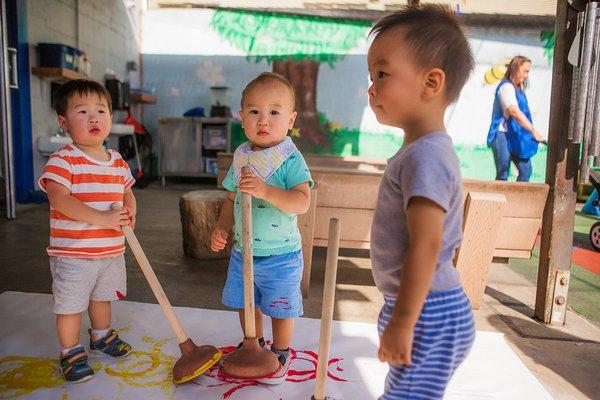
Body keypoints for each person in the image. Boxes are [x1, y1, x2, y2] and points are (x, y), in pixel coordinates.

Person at [367, 5, 476, 399]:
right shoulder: (421, 152)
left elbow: (427, 244)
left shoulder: (425, 156)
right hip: (424, 307)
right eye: (370, 76)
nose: (372, 87)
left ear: (431, 83)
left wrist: (404, 321)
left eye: (382, 73)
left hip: (428, 312)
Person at [211, 72, 313, 385]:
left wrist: (266, 190)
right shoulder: (242, 157)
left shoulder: (289, 159)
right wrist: (222, 226)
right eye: (254, 111)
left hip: (281, 255)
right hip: (244, 253)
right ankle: (252, 343)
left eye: (274, 112)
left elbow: (301, 202)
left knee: (281, 306)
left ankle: (281, 350)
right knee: (247, 303)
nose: (263, 120)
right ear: (242, 117)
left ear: (291, 119)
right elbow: (231, 198)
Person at [38, 79, 136, 383]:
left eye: (101, 110)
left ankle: (102, 336)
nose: (94, 118)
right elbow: (59, 199)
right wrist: (102, 219)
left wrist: (131, 209)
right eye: (83, 112)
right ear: (64, 122)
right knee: (71, 304)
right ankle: (70, 351)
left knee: (102, 297)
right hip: (74, 254)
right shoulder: (64, 160)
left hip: (109, 251)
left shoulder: (117, 162)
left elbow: (127, 191)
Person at [487, 55, 546, 182]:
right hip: (501, 134)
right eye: (525, 71)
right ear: (515, 68)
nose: (526, 75)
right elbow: (513, 111)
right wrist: (533, 130)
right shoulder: (506, 87)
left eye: (528, 72)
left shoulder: (519, 89)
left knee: (526, 170)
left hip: (516, 135)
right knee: (503, 172)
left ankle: (517, 200)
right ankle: (499, 200)